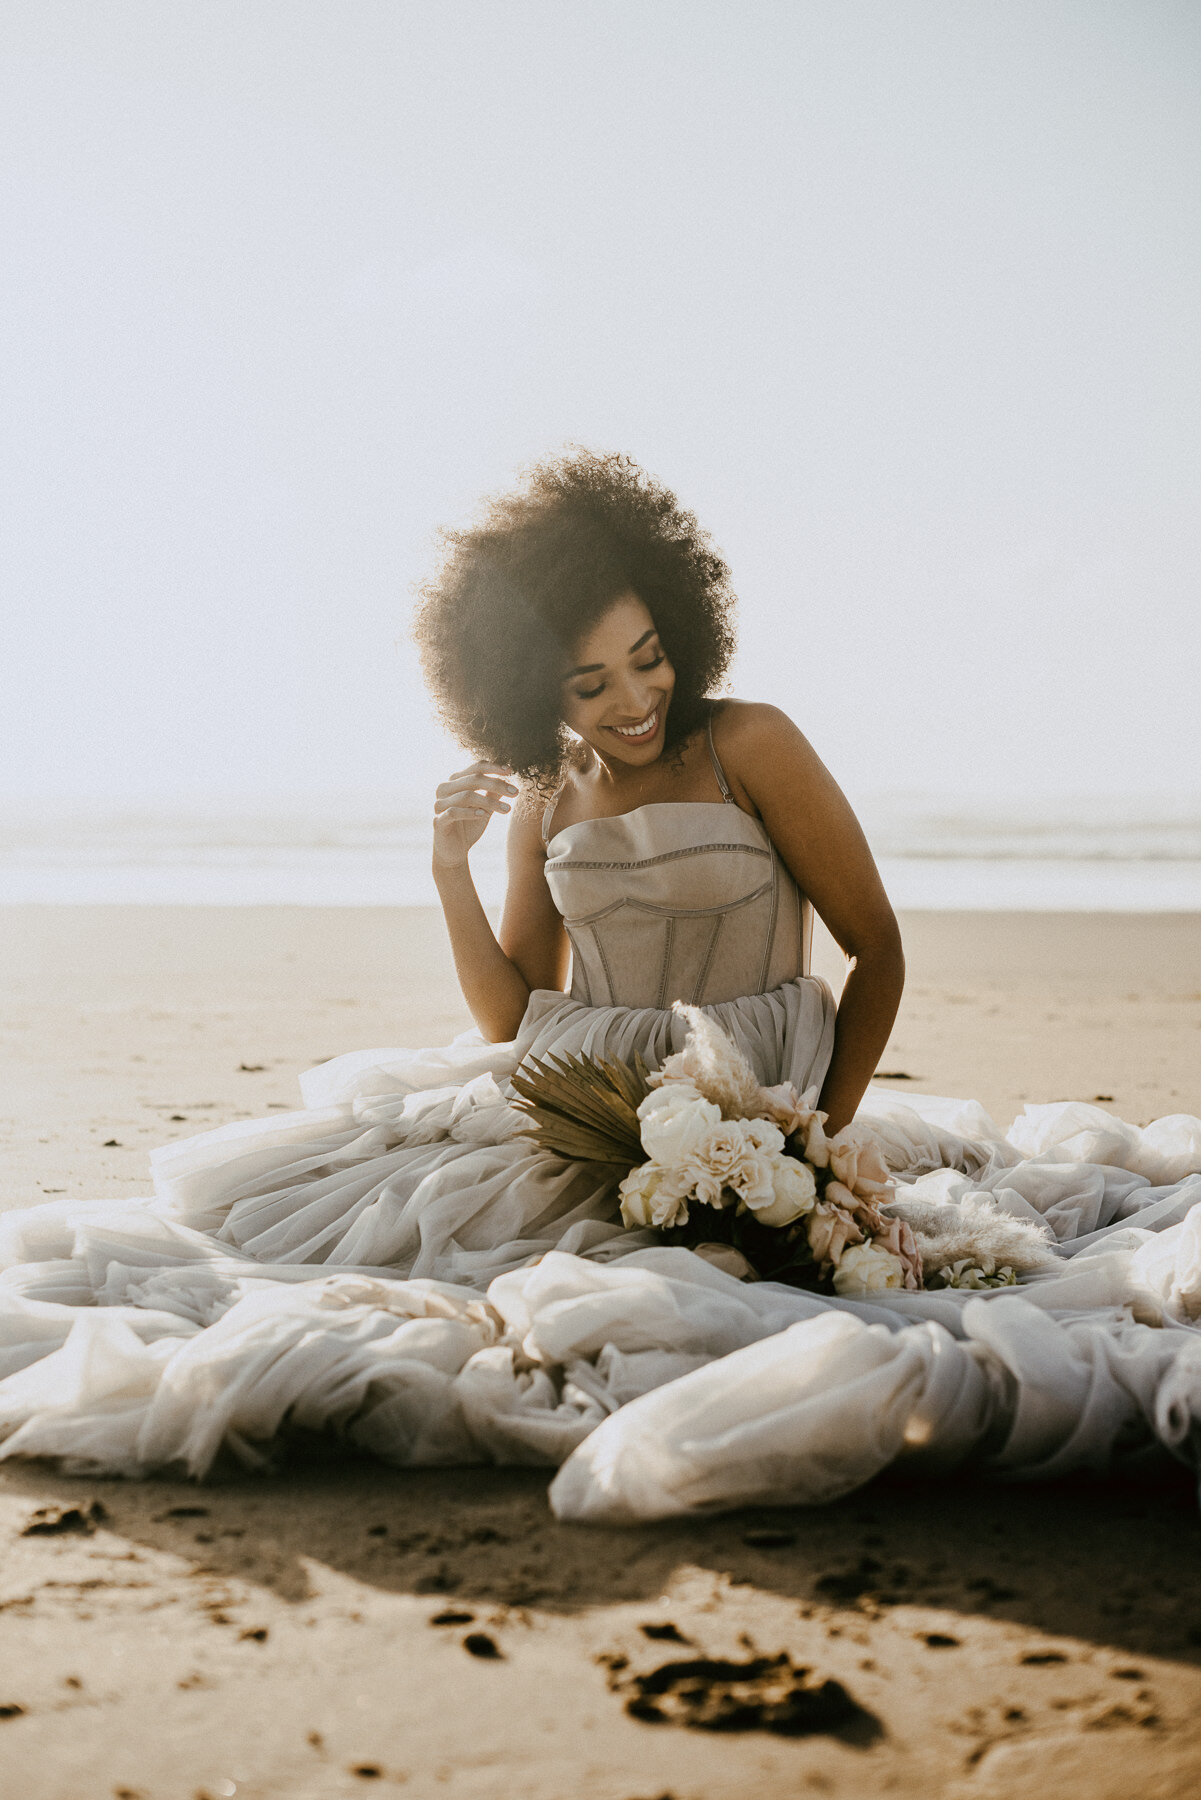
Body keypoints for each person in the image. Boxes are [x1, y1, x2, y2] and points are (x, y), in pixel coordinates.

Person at [1, 450, 1200, 1518]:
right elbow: (513, 1013)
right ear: (533, 692)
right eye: (589, 685)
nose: (634, 702)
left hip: (759, 1098)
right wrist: (447, 869)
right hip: (573, 1100)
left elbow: (875, 949)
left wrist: (819, 1139)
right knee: (375, 1267)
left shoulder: (751, 744)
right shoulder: (543, 796)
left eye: (650, 658)